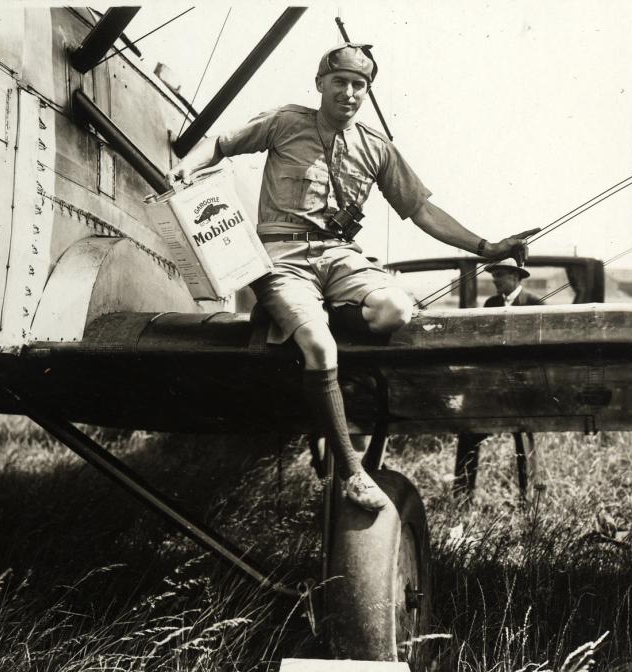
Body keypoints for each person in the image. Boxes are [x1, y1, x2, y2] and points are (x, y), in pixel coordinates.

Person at [173, 42, 537, 512]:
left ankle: (306, 320)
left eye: (359, 85)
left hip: (341, 259)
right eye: (340, 82)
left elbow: (422, 210)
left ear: (367, 91)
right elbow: (222, 143)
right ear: (321, 83)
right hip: (283, 256)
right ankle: (351, 470)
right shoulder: (286, 122)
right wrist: (188, 165)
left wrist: (488, 248)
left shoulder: (375, 148)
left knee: (396, 309)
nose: (348, 93)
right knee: (321, 349)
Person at [453, 257, 543, 501]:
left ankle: (530, 500)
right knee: (470, 431)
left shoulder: (535, 304)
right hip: (493, 385)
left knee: (524, 438)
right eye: (493, 276)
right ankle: (462, 495)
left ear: (515, 276)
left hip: (522, 385)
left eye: (499, 275)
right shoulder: (490, 304)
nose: (495, 280)